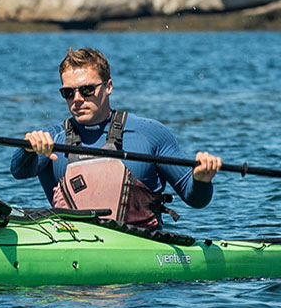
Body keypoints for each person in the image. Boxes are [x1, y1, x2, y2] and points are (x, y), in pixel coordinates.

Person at [11, 47, 222, 228]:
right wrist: (27, 149)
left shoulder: (151, 134)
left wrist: (202, 180)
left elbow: (195, 199)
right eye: (68, 93)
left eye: (87, 90)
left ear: (108, 87)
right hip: (74, 252)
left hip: (144, 251)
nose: (77, 99)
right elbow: (18, 171)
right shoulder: (51, 140)